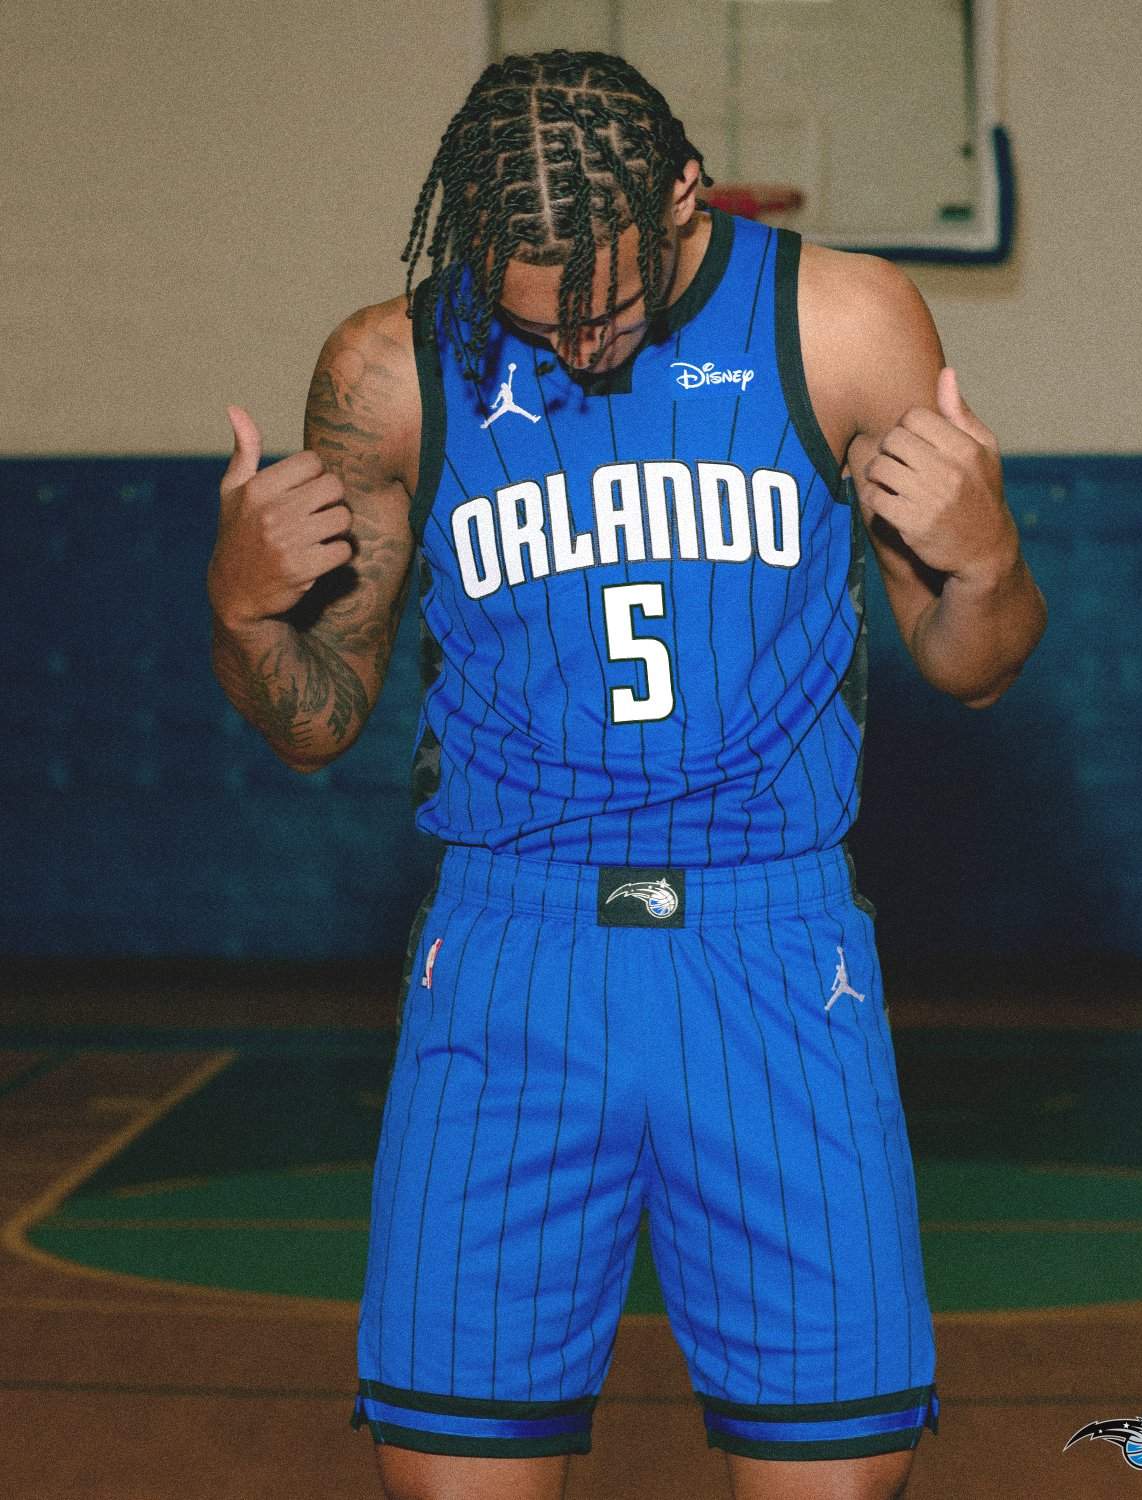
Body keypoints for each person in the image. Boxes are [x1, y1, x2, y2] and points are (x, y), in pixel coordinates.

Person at [207, 48, 1046, 1500]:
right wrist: (239, 607)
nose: (580, 345)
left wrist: (990, 562)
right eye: (538, 318)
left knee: (836, 1479)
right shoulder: (389, 373)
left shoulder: (844, 324)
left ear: (684, 197)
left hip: (772, 944)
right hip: (511, 950)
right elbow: (316, 721)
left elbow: (975, 665)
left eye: (603, 302)